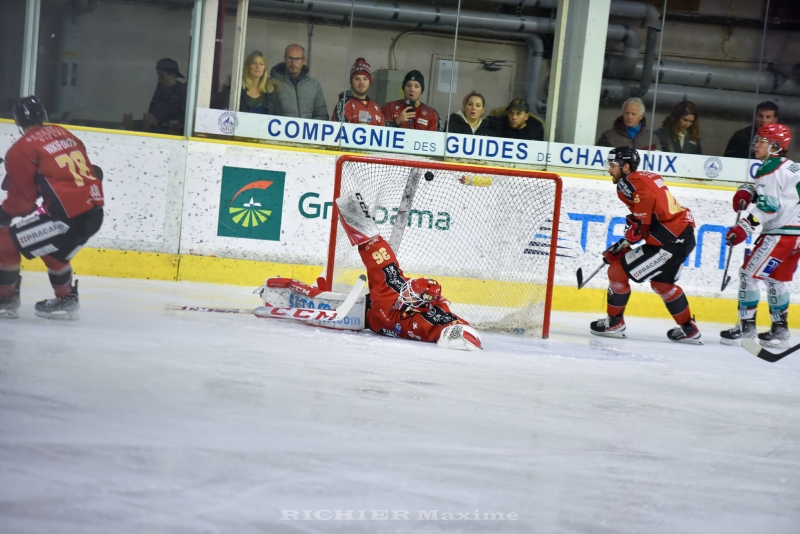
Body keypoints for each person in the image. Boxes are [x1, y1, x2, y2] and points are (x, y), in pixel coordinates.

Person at [332, 191, 482, 351]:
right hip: (368, 311)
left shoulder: (432, 319)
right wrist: (353, 211)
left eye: (411, 296)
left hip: (371, 323)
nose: (404, 295)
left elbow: (461, 330)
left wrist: (464, 334)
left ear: (423, 306)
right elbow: (375, 248)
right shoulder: (391, 285)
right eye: (408, 290)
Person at [0, 97, 104, 320]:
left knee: (4, 242)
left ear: (17, 121)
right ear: (43, 116)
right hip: (94, 214)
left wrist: (4, 214)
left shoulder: (21, 149)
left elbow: (23, 204)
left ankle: (5, 299)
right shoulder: (65, 134)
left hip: (66, 218)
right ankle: (66, 299)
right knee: (50, 248)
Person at [590, 146, 701, 344]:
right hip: (681, 235)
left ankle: (614, 322)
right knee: (662, 283)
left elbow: (643, 219)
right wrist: (627, 240)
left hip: (670, 239)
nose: (609, 170)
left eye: (613, 165)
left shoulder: (628, 182)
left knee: (617, 271)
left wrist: (628, 241)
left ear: (625, 167)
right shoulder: (645, 176)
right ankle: (688, 329)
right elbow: (646, 218)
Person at [720, 124, 799, 348]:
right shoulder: (790, 166)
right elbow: (780, 193)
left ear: (775, 146)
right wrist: (750, 190)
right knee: (776, 279)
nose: (756, 144)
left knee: (748, 275)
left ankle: (746, 326)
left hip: (780, 235)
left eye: (762, 140)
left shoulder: (770, 167)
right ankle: (780, 329)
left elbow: (769, 208)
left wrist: (744, 227)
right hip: (796, 235)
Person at [269, 44, 328, 120]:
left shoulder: (314, 85)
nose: (293, 63)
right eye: (290, 58)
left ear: (303, 61)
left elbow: (321, 115)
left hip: (307, 131)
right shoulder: (272, 83)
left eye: (297, 59)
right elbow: (267, 114)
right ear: (284, 59)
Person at [217, 51, 282, 115]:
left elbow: (278, 116)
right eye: (254, 63)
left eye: (261, 64)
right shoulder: (235, 89)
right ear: (247, 66)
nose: (258, 67)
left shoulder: (271, 93)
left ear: (264, 69)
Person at [331, 58, 385, 125]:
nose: (361, 82)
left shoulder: (377, 108)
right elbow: (338, 132)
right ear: (351, 82)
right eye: (357, 79)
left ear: (370, 82)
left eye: (365, 79)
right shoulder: (343, 105)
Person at [144, 58, 187, 134]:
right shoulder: (160, 87)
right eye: (158, 75)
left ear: (173, 75)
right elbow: (152, 109)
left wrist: (158, 123)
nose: (159, 79)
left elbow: (182, 123)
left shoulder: (183, 91)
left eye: (161, 76)